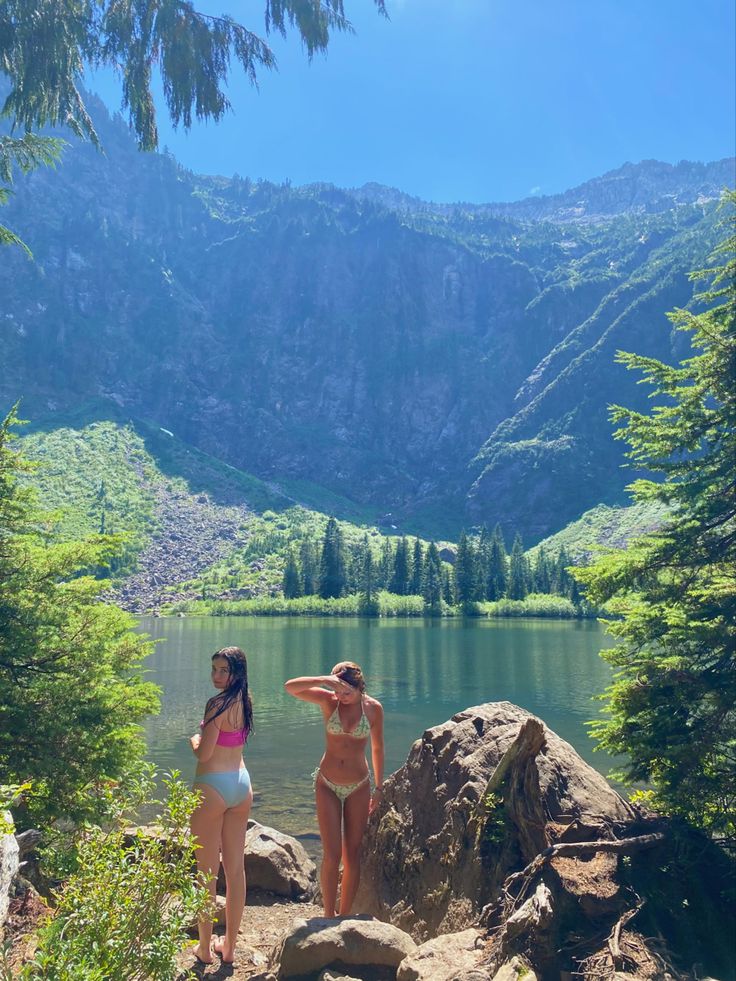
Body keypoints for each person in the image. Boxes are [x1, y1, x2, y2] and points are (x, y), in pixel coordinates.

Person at [284, 661, 384, 917]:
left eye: (347, 692)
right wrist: (325, 680)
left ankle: (344, 915)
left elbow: (377, 748)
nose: (341, 697)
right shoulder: (329, 701)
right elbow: (290, 688)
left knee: (352, 854)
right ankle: (328, 915)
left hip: (359, 785)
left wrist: (380, 787)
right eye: (338, 691)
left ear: (360, 687)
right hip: (327, 783)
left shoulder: (373, 709)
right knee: (332, 853)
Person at [189, 646, 254, 964]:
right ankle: (229, 949)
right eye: (213, 669)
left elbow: (204, 754)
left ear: (236, 673)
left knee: (206, 871)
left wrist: (195, 741)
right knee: (236, 869)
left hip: (212, 787)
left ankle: (204, 949)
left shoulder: (216, 705)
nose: (216, 676)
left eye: (222, 671)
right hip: (241, 786)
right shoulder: (245, 700)